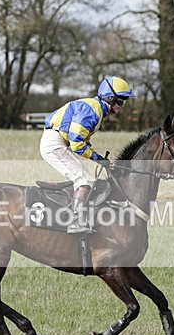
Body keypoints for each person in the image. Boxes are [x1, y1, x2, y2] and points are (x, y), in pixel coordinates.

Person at [39, 76, 135, 234]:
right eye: (121, 101)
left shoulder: (96, 109)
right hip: (54, 144)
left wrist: (101, 160)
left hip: (59, 141)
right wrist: (98, 159)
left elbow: (82, 140)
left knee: (87, 179)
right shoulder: (92, 111)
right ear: (110, 98)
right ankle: (76, 222)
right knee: (83, 180)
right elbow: (77, 144)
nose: (122, 106)